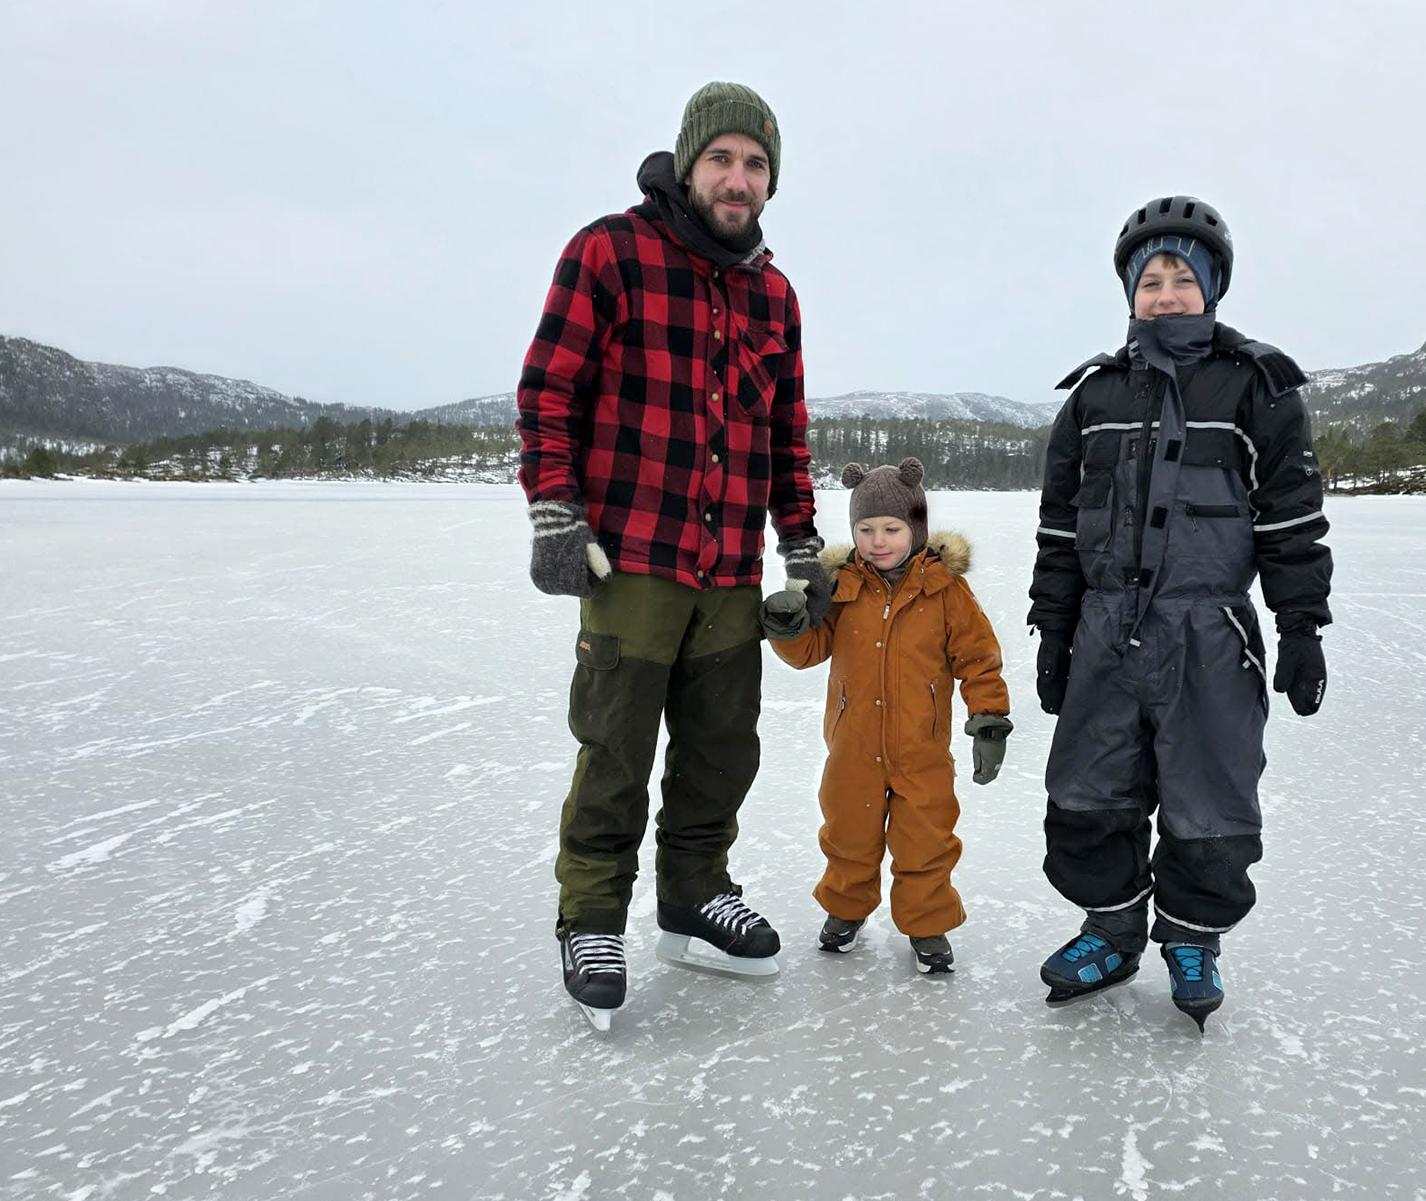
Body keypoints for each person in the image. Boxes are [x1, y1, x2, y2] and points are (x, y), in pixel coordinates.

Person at [515, 81, 833, 1027]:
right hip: (635, 561)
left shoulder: (775, 292)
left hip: (730, 568)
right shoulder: (611, 252)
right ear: (690, 163)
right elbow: (547, 391)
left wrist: (803, 548)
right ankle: (590, 916)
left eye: (757, 165)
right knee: (615, 744)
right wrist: (555, 514)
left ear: (771, 183)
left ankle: (694, 893)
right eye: (723, 159)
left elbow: (788, 433)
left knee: (720, 750)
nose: (738, 180)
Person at [1028, 196, 1333, 1030]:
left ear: (1213, 289)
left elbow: (1292, 521)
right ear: (1129, 292)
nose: (1165, 294)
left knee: (1212, 796)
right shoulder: (1091, 397)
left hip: (1208, 633)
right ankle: (1113, 930)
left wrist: (1301, 625)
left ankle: (1193, 936)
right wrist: (1054, 627)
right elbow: (1059, 528)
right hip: (1104, 630)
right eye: (1150, 280)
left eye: (1182, 280)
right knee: (1090, 793)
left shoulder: (1257, 388)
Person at [761, 458, 1011, 975]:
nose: (879, 540)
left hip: (922, 748)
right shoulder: (839, 588)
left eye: (892, 529)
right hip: (852, 748)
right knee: (848, 834)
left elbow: (977, 658)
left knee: (927, 840)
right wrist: (788, 627)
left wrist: (988, 718)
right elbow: (812, 650)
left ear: (914, 528)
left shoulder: (946, 591)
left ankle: (926, 924)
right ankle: (845, 911)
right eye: (866, 529)